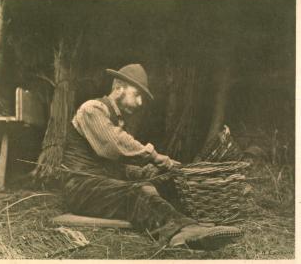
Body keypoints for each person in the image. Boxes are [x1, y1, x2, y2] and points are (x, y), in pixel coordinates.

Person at [61, 64, 242, 250]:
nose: (140, 103)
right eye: (137, 94)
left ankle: (194, 223)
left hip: (102, 185)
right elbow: (114, 146)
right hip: (82, 189)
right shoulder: (91, 109)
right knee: (137, 192)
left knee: (159, 181)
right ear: (118, 87)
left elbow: (116, 166)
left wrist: (148, 172)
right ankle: (180, 232)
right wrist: (154, 156)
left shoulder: (115, 119)